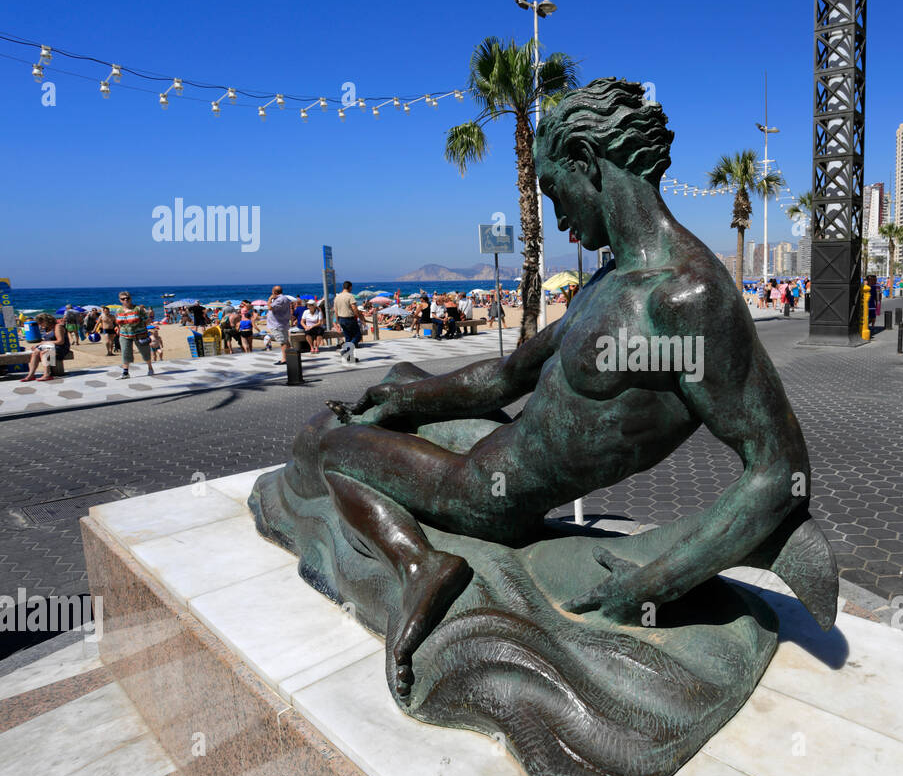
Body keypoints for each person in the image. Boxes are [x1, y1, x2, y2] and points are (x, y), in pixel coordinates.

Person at [278, 79, 835, 694]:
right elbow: (506, 375)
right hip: (499, 452)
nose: (558, 215)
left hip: (486, 498)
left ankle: (421, 565)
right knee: (399, 379)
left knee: (333, 445)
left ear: (587, 164)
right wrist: (405, 399)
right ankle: (402, 426)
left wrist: (650, 585)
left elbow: (779, 467)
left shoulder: (687, 298)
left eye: (553, 190)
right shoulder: (608, 285)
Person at [112, 291, 155, 379]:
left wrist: (142, 328)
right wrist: (118, 329)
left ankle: (150, 368)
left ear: (130, 298)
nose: (125, 300)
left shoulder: (138, 309)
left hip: (139, 334)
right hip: (124, 335)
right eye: (123, 299)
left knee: (144, 352)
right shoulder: (118, 310)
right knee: (125, 352)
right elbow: (118, 322)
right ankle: (125, 372)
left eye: (127, 298)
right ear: (120, 300)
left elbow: (147, 320)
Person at [19, 313, 70, 382]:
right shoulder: (46, 328)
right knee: (35, 353)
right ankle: (31, 375)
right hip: (51, 347)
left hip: (61, 348)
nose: (40, 325)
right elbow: (47, 341)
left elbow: (60, 341)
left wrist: (43, 343)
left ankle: (47, 375)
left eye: (41, 323)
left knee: (44, 353)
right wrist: (39, 345)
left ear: (46, 321)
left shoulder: (57, 327)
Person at [266, 285, 294, 364]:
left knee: (283, 342)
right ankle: (291, 356)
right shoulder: (284, 298)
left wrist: (270, 299)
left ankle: (284, 359)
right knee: (286, 341)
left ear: (274, 292)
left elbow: (270, 308)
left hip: (277, 324)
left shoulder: (279, 300)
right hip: (282, 323)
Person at [335, 280, 362, 355]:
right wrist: (358, 316)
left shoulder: (337, 297)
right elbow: (354, 308)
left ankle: (349, 357)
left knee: (348, 338)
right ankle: (346, 350)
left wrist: (337, 322)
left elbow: (336, 311)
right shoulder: (350, 296)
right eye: (351, 288)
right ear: (350, 287)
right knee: (358, 336)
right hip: (349, 319)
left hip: (341, 319)